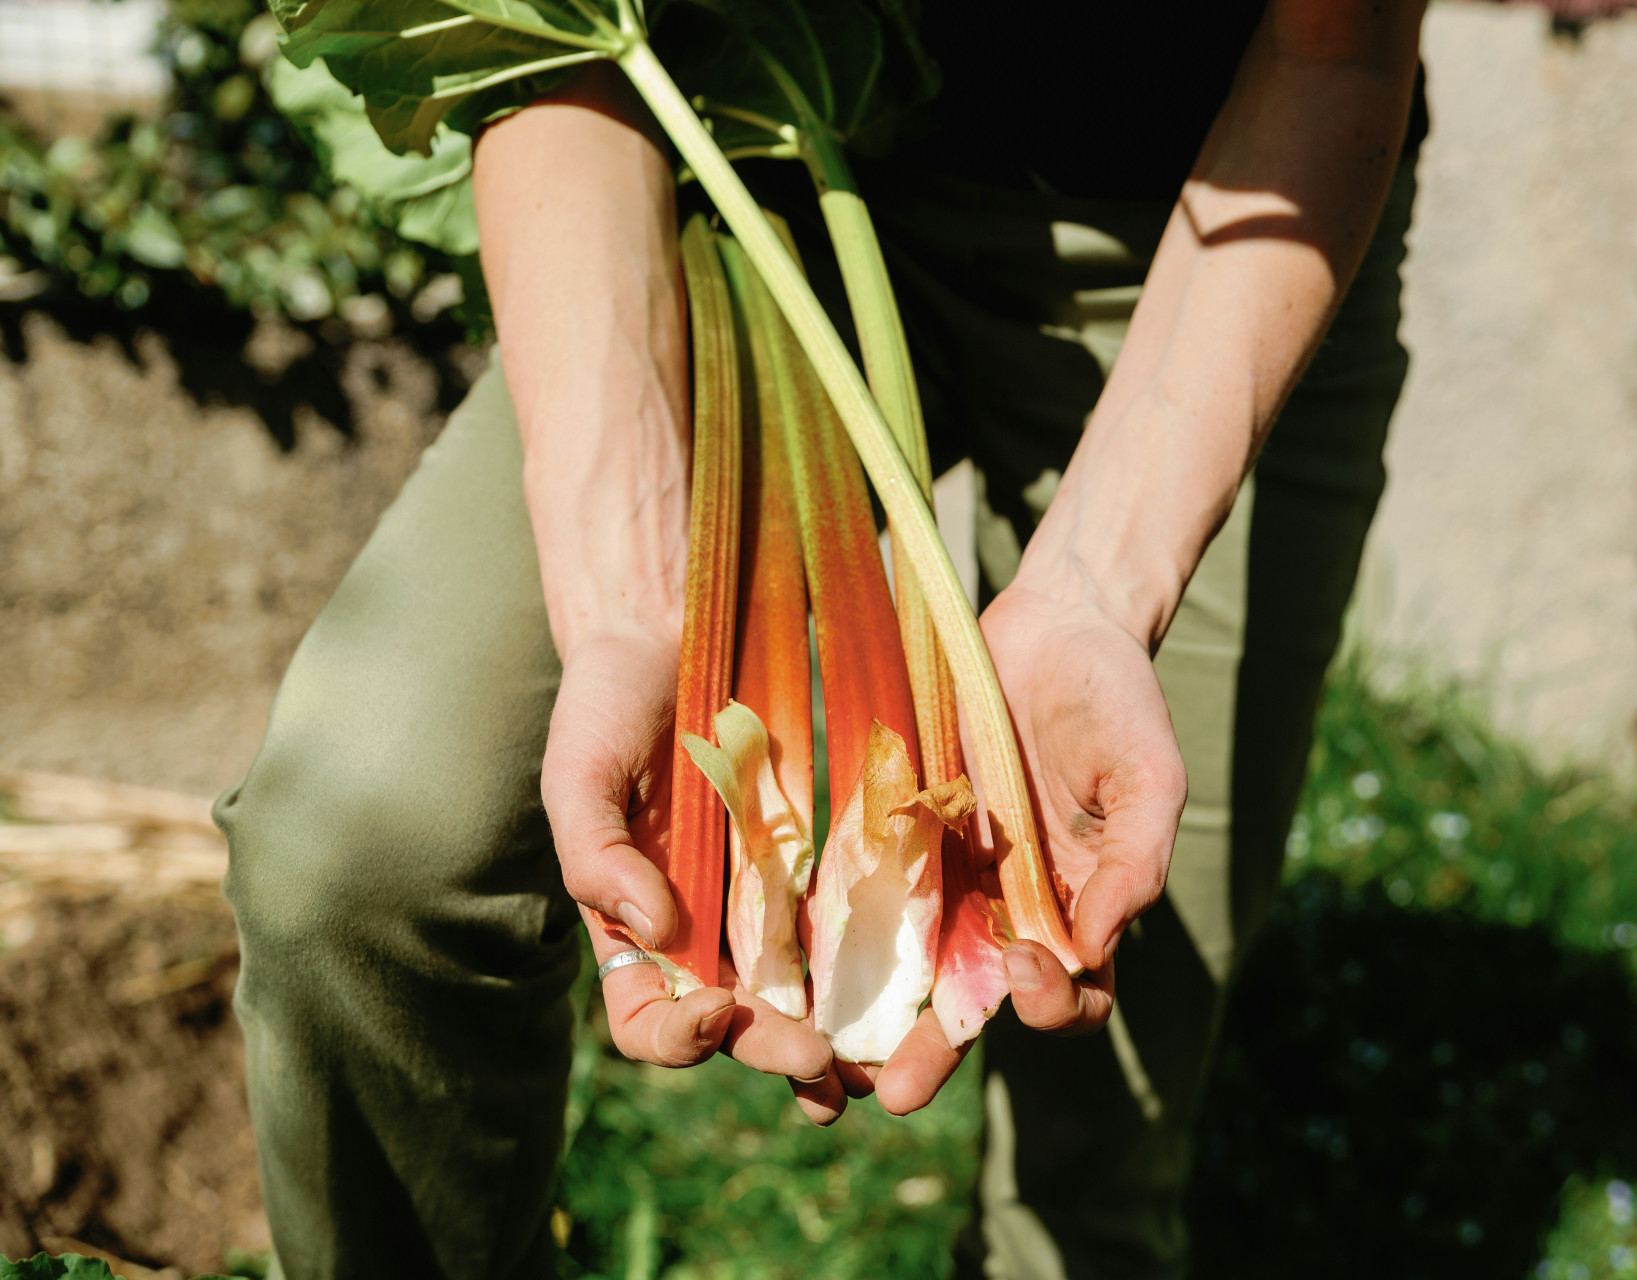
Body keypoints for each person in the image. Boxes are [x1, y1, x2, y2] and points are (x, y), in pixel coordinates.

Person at [215, 0, 1429, 1275]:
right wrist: (631, 601)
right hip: (742, 200)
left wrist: (1098, 592)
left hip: (1217, 214)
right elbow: (545, 37)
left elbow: (1336, 46)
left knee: (1110, 1041)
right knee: (355, 849)